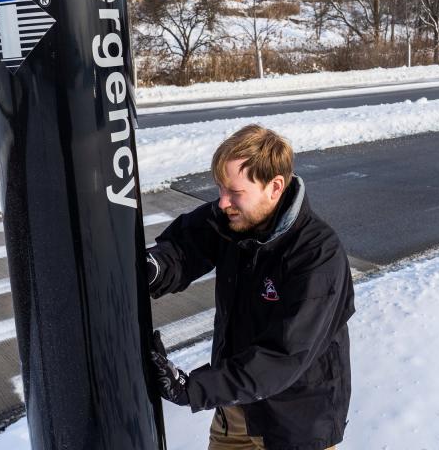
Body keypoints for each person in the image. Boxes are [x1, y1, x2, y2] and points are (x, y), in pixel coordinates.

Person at [146, 124, 355, 450]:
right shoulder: (234, 218)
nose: (223, 202)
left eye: (235, 192)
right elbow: (186, 246)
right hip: (235, 412)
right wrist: (154, 267)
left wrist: (193, 388)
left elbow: (282, 357)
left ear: (274, 187)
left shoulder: (317, 255)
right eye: (220, 189)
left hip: (294, 427)